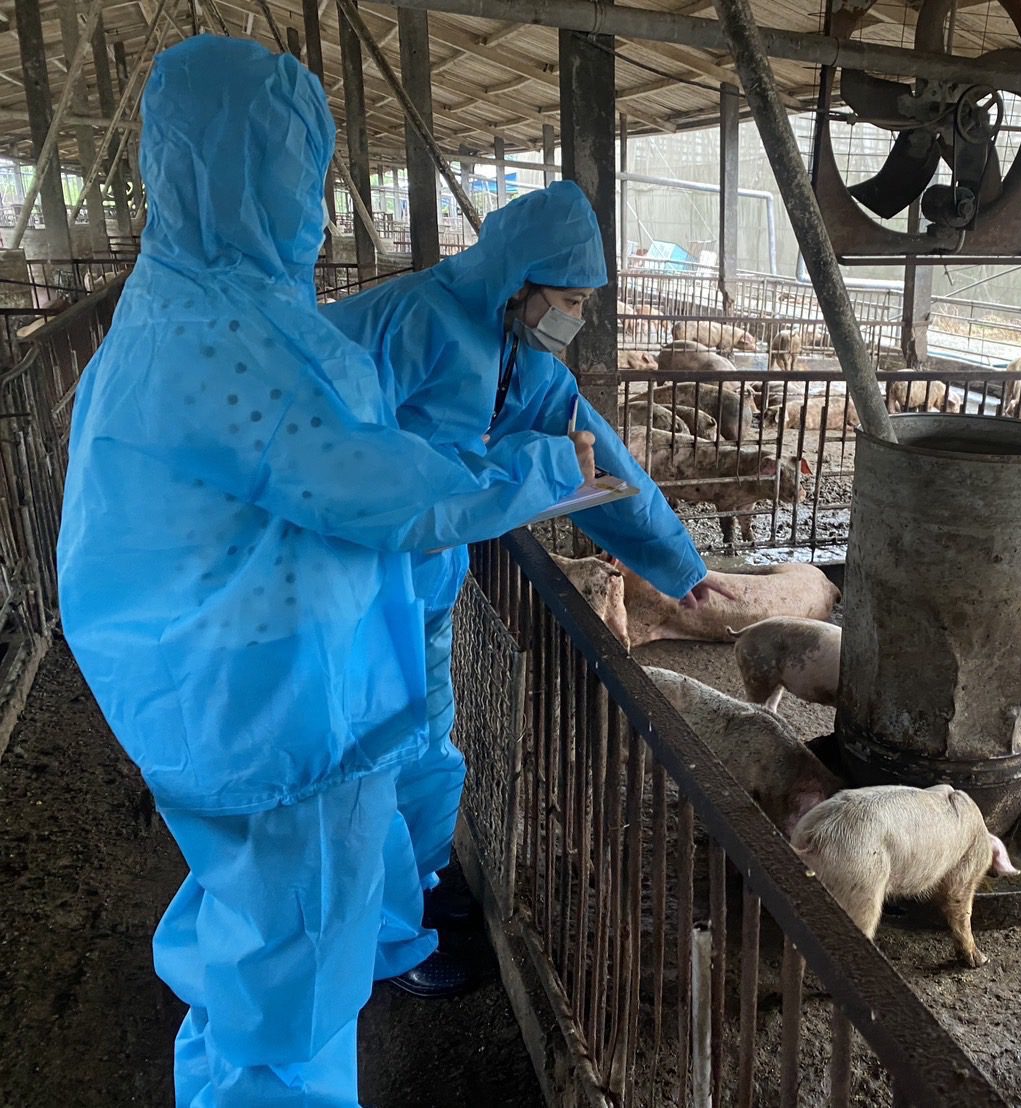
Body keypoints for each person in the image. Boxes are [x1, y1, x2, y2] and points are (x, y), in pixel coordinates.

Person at [53, 37, 701, 1106]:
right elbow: (381, 485)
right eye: (299, 175)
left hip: (284, 657)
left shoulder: (201, 307)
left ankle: (373, 948)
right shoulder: (246, 336)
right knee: (292, 974)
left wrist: (672, 562)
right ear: (245, 173)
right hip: (271, 697)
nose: (311, 205)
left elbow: (591, 450)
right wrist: (525, 479)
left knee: (274, 920)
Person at [322, 182, 719, 994]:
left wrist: (679, 567)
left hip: (427, 572)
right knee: (363, 739)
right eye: (568, 299)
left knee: (425, 727)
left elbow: (599, 459)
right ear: (518, 278)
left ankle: (424, 883)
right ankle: (383, 935)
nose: (572, 319)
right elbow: (353, 465)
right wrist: (501, 480)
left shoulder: (525, 358)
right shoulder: (410, 322)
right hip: (350, 570)